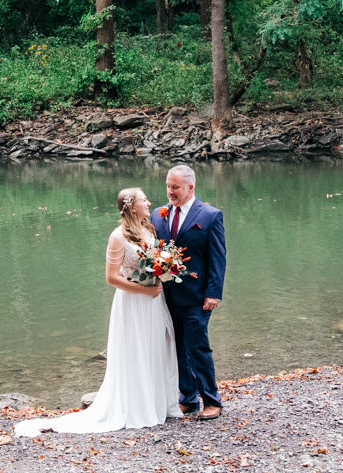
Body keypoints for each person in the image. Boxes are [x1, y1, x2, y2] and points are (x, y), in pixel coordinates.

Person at [14, 187, 180, 437]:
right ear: (132, 206)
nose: (149, 202)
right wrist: (143, 290)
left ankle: (155, 404)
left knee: (155, 349)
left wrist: (162, 274)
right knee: (134, 352)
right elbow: (111, 278)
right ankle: (136, 409)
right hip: (133, 304)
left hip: (154, 302)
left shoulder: (150, 229)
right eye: (143, 199)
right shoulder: (118, 236)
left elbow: (155, 262)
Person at [152, 164, 225, 420]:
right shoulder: (158, 214)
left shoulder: (210, 216)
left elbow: (218, 258)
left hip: (197, 296)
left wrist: (213, 293)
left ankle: (212, 401)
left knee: (198, 347)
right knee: (178, 347)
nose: (170, 192)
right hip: (166, 295)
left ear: (190, 187)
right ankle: (188, 398)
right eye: (168, 186)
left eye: (175, 187)